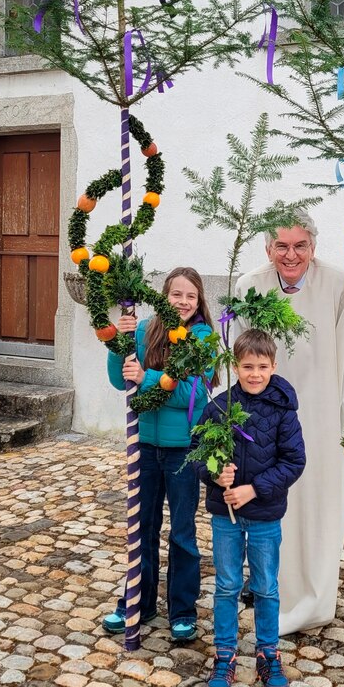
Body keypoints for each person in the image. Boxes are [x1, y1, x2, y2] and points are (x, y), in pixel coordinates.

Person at [234, 209, 344, 634]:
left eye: (300, 245)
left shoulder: (338, 285)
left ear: (313, 246)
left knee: (319, 507)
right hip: (268, 414)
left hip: (321, 414)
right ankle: (273, 594)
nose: (291, 255)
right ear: (268, 249)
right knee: (274, 508)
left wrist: (343, 421)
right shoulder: (250, 287)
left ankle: (317, 601)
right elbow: (242, 357)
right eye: (281, 246)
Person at [101, 266, 215, 642]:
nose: (182, 302)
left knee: (182, 531)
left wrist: (146, 378)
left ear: (199, 302)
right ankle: (138, 601)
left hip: (183, 449)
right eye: (176, 294)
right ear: (163, 296)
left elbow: (189, 395)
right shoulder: (146, 328)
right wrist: (122, 342)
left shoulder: (202, 338)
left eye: (190, 296)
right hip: (145, 446)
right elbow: (120, 380)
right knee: (142, 526)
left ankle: (182, 610)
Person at [191, 329, 306, 687]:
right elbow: (198, 453)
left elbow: (294, 461)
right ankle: (224, 655)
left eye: (261, 366)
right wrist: (214, 473)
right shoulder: (218, 408)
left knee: (266, 586)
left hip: (265, 513)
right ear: (235, 366)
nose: (254, 374)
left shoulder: (283, 412)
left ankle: (267, 654)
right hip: (225, 516)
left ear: (273, 366)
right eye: (246, 367)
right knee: (226, 584)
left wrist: (254, 488)